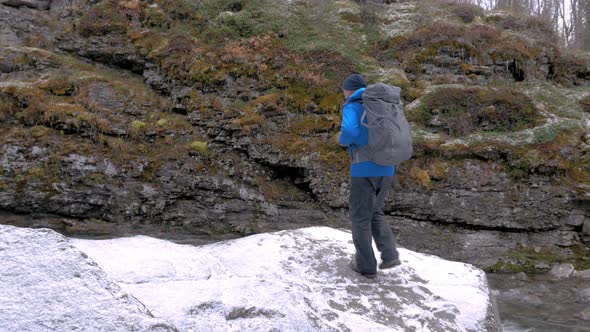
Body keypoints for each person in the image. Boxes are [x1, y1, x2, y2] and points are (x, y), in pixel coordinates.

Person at [338, 74, 401, 279]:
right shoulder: (382, 104)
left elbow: (348, 130)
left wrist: (342, 140)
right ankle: (390, 255)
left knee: (359, 218)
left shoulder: (353, 104)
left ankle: (365, 266)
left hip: (364, 168)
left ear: (349, 90)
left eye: (344, 90)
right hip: (387, 167)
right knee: (375, 211)